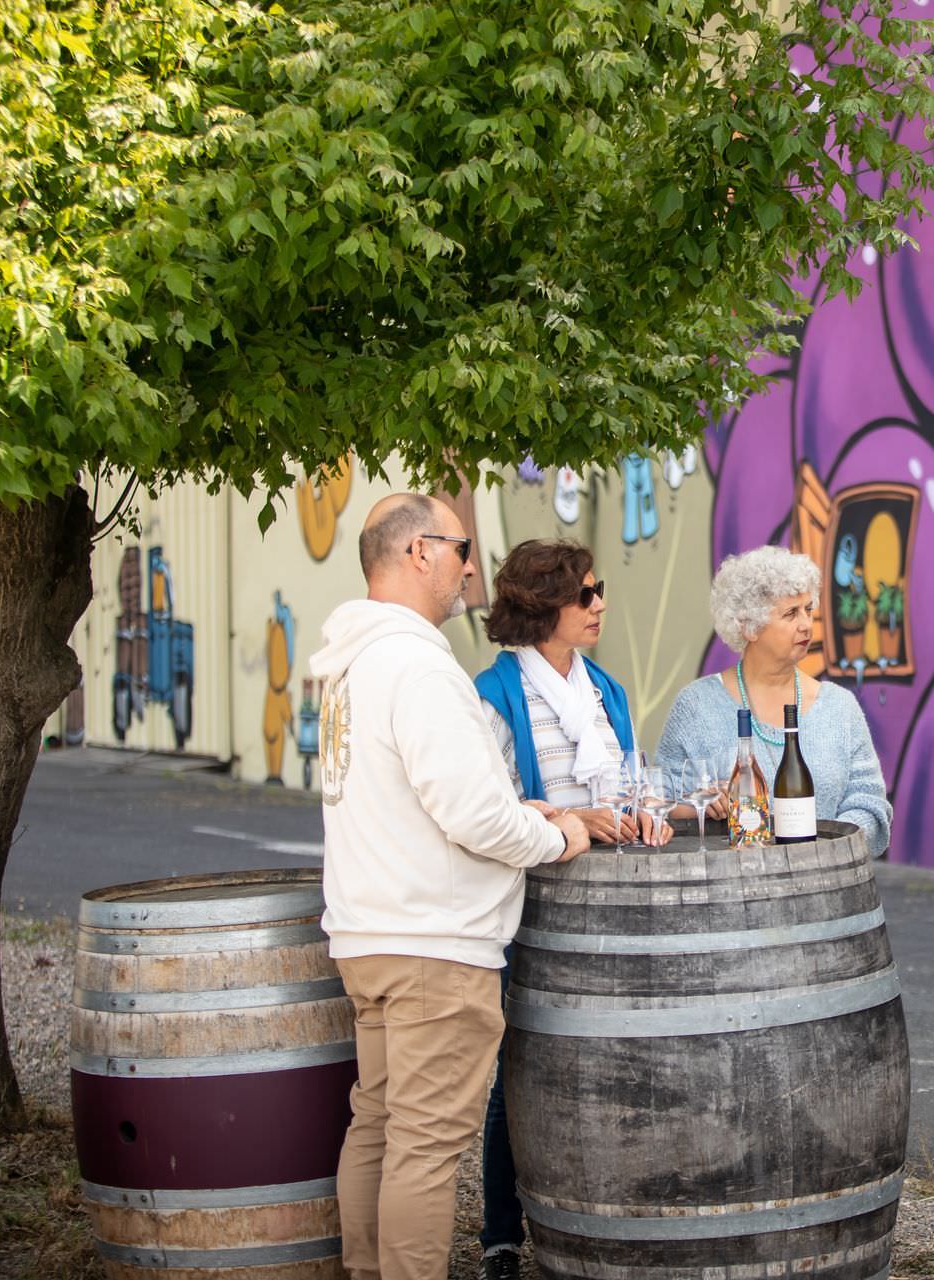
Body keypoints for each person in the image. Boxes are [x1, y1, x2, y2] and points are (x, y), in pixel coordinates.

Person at [310, 493, 590, 1280]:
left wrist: (511, 807)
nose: (471, 564)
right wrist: (555, 833)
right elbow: (474, 818)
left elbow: (416, 794)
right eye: (461, 547)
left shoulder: (352, 662)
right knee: (427, 1150)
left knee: (378, 1129)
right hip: (437, 944)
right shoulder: (418, 665)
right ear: (416, 553)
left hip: (371, 935)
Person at [469, 538, 667, 1279]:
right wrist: (567, 820)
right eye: (585, 593)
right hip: (531, 903)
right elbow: (487, 804)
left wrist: (645, 815)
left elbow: (629, 779)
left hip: (607, 907)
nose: (600, 604)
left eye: (599, 589)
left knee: (609, 1062)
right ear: (542, 604)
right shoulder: (492, 695)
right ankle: (501, 1234)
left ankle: (602, 1219)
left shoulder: (603, 688)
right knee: (520, 1070)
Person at [657, 545, 891, 855]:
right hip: (729, 893)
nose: (807, 624)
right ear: (748, 626)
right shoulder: (696, 706)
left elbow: (871, 805)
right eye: (791, 613)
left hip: (831, 890)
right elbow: (660, 804)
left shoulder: (840, 707)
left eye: (808, 609)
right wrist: (696, 804)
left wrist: (825, 850)